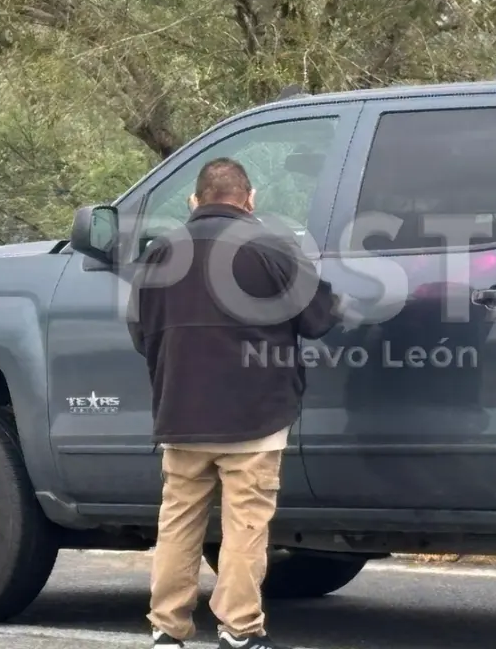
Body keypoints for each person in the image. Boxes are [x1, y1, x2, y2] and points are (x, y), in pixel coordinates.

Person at [129, 157, 341, 649]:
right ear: (249, 200)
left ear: (195, 202)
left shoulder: (161, 253)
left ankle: (166, 629)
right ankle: (239, 630)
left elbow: (141, 332)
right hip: (256, 416)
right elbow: (318, 317)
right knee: (245, 523)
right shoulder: (269, 246)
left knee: (179, 521)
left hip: (180, 412)